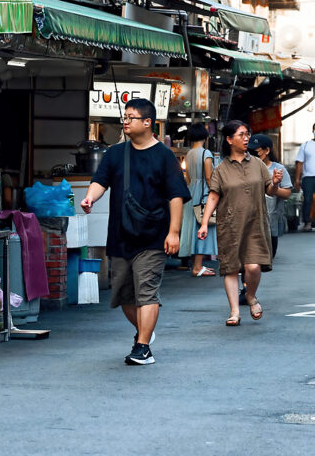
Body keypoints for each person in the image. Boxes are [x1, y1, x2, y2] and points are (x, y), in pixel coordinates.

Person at [80, 98, 190, 366]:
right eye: (124, 117)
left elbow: (176, 196)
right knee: (125, 296)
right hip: (120, 234)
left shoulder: (164, 156)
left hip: (153, 235)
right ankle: (145, 332)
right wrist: (89, 198)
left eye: (131, 117)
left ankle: (142, 347)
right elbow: (100, 181)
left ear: (147, 122)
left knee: (147, 292)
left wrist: (173, 232)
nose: (125, 121)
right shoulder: (116, 153)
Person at [198, 121, 282, 326]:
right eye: (241, 135)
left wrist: (275, 183)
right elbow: (213, 197)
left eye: (247, 134)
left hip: (255, 222)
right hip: (230, 225)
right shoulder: (221, 169)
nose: (247, 138)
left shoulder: (257, 164)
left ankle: (251, 296)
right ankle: (234, 312)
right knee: (231, 268)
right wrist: (203, 223)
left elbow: (268, 190)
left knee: (253, 267)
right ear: (229, 140)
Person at [179, 123, 217, 276]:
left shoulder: (189, 154)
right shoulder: (206, 153)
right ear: (205, 136)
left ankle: (197, 265)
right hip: (204, 195)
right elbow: (209, 177)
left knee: (193, 228)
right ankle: (197, 267)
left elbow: (187, 178)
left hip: (191, 193)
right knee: (203, 228)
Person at [248, 133, 292, 258]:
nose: (252, 155)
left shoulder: (278, 169)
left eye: (256, 152)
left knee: (269, 254)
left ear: (267, 150)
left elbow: (287, 193)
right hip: (250, 217)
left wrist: (271, 187)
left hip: (271, 217)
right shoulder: (246, 167)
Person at [294, 123, 315, 231]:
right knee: (307, 200)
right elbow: (300, 163)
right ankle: (307, 222)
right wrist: (297, 179)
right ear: (313, 130)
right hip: (308, 177)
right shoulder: (306, 145)